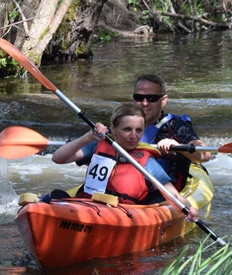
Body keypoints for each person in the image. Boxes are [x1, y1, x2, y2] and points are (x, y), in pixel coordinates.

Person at [51, 103, 200, 220]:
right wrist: (88, 137)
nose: (133, 136)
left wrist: (188, 208)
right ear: (113, 129)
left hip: (120, 214)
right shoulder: (97, 145)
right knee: (53, 197)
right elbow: (58, 158)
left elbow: (172, 194)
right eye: (127, 129)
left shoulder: (147, 162)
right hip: (85, 205)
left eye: (139, 130)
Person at [77, 74, 209, 191]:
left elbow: (205, 154)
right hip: (120, 189)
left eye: (151, 98)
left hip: (159, 193)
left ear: (163, 100)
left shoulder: (176, 126)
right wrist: (91, 137)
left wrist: (177, 146)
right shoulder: (122, 124)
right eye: (139, 97)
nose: (144, 103)